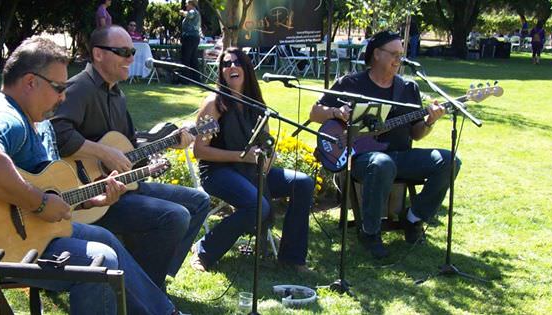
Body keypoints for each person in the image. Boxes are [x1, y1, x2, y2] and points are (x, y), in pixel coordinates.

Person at [0, 37, 178, 314]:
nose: (63, 96)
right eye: (58, 87)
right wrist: (40, 202)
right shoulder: (5, 116)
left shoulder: (38, 120)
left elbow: (51, 190)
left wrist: (89, 201)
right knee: (100, 260)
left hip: (36, 234)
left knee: (104, 239)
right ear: (30, 82)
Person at [51, 26, 212, 290]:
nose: (130, 58)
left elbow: (130, 148)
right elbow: (58, 132)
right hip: (89, 199)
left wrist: (168, 142)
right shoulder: (79, 88)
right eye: (123, 52)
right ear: (98, 54)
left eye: (132, 52)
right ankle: (143, 291)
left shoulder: (117, 95)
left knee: (199, 201)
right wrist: (103, 152)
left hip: (123, 186)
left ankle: (146, 281)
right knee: (176, 215)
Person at [308, 31, 458, 259]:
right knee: (381, 163)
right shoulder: (350, 83)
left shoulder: (408, 89)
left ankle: (414, 218)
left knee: (448, 161)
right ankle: (370, 232)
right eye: (394, 54)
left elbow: (417, 134)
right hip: (361, 158)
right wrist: (336, 112)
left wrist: (429, 120)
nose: (399, 59)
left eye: (402, 54)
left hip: (401, 156)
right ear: (376, 54)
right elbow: (315, 112)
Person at [189, 48, 315, 273]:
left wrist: (269, 157)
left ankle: (292, 258)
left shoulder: (256, 104)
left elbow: (266, 142)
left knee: (302, 182)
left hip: (250, 171)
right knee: (259, 205)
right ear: (221, 72)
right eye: (226, 64)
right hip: (218, 172)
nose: (232, 67)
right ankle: (204, 250)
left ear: (247, 69)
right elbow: (200, 150)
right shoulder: (215, 104)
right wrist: (240, 156)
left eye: (237, 62)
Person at [179, 0, 202, 83]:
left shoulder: (193, 11)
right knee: (193, 59)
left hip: (190, 38)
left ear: (191, 4)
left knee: (186, 59)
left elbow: (189, 15)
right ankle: (196, 80)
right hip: (193, 38)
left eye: (187, 4)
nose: (185, 5)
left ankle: (184, 80)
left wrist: (182, 12)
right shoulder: (196, 12)